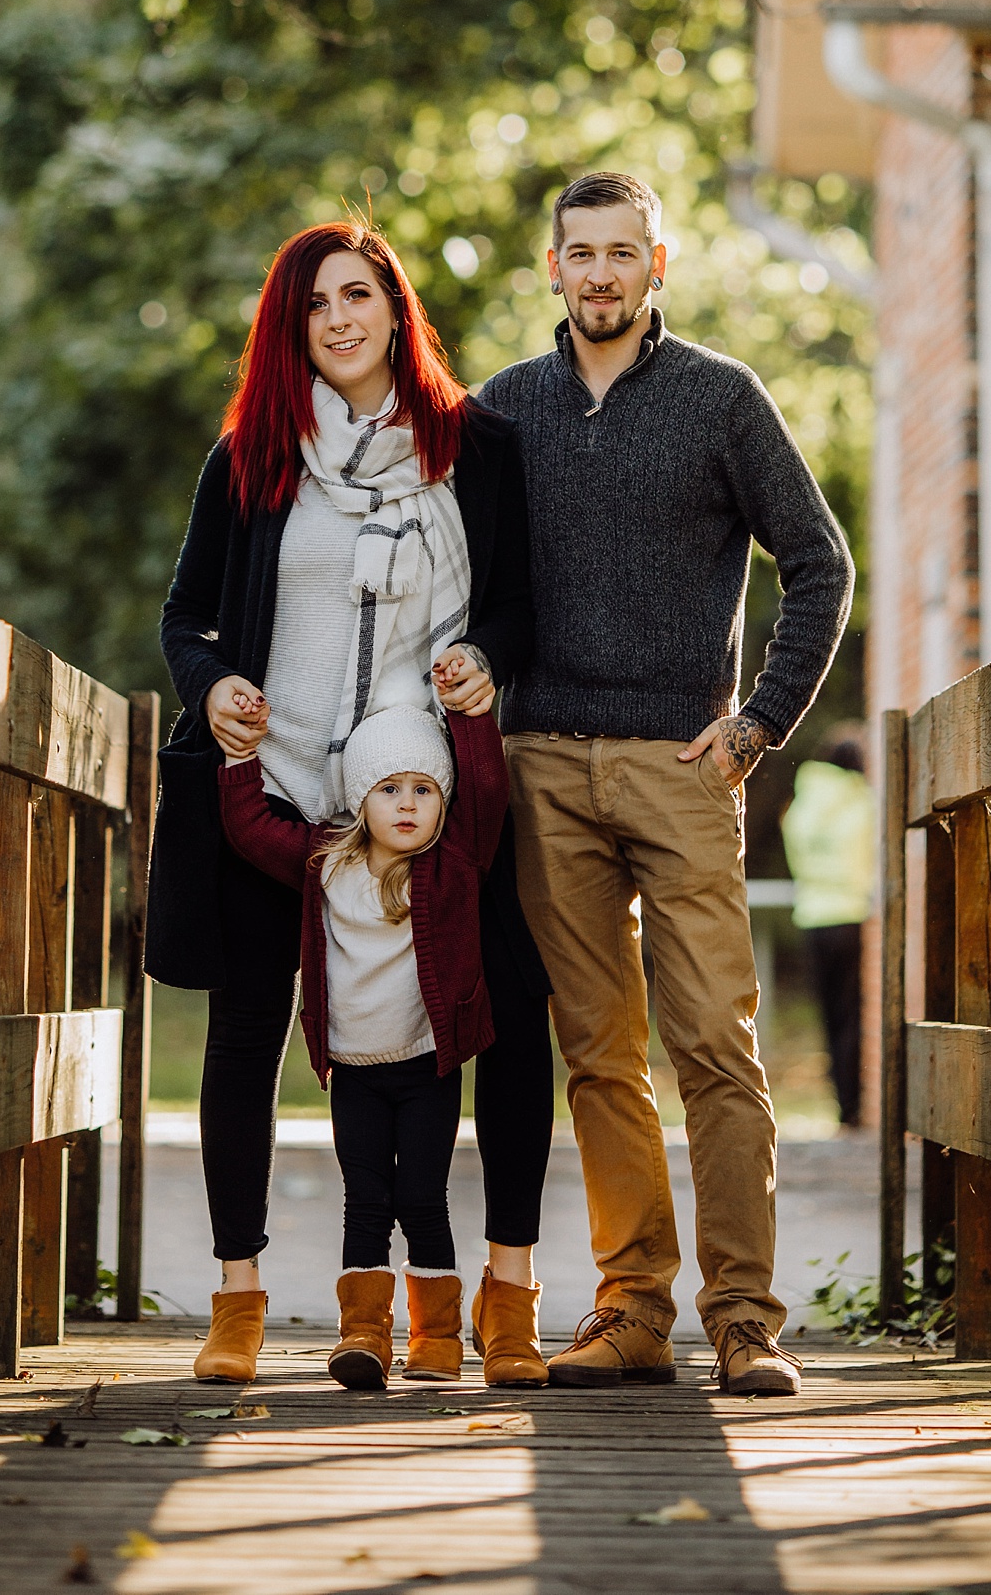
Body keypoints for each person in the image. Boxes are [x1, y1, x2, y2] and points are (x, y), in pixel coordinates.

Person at [149, 220, 553, 1389]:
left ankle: (507, 1287)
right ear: (291, 328)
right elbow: (187, 619)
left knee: (507, 1011)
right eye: (313, 303)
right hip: (279, 792)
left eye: (358, 294)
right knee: (243, 1032)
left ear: (395, 306)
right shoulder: (251, 458)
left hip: (424, 796)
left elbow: (518, 606)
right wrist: (215, 681)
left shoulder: (475, 448)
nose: (338, 317)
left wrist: (484, 654)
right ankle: (237, 1293)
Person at [481, 172, 854, 1397]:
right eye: (579, 253)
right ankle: (633, 1306)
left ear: (657, 265)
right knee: (597, 1050)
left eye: (621, 253)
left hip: (685, 764)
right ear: (552, 267)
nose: (600, 273)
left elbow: (819, 562)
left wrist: (757, 726)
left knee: (714, 1044)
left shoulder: (721, 399)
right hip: (543, 766)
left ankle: (745, 1318)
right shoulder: (504, 411)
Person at [217, 704, 512, 1388]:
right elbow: (250, 827)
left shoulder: (455, 862)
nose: (407, 805)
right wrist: (240, 759)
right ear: (360, 797)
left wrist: (471, 716)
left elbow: (490, 789)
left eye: (424, 790)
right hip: (353, 1072)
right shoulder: (325, 862)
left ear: (445, 803)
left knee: (424, 1195)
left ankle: (436, 1337)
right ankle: (364, 1335)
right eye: (389, 788)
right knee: (366, 1199)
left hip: (425, 1067)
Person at [780, 732, 875, 1131]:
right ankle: (852, 1108)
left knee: (829, 1016)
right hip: (849, 916)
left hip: (811, 917)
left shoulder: (800, 805)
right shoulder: (861, 802)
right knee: (852, 1015)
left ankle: (840, 1101)